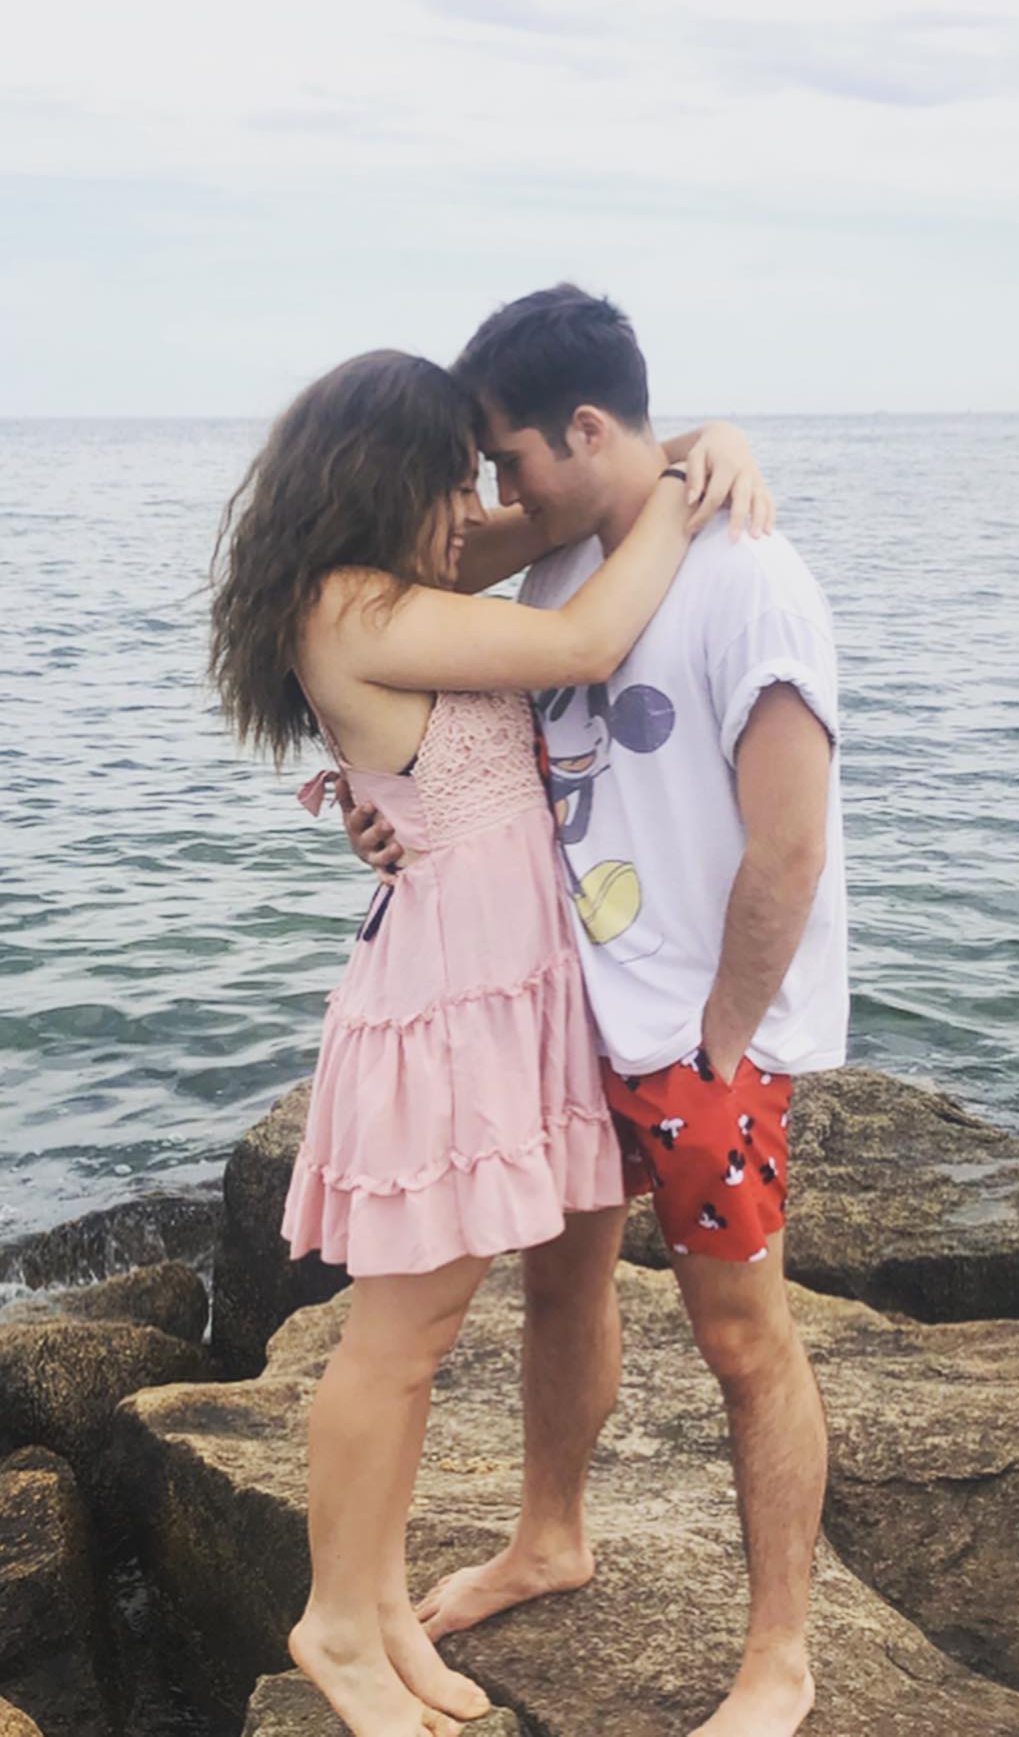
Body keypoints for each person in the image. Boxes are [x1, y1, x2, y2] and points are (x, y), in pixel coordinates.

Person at [207, 347, 772, 1737]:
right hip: (449, 1007)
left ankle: (382, 1601)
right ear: (383, 480)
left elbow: (575, 502)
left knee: (446, 1323)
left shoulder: (404, 584)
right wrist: (685, 496)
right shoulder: (352, 604)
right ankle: (338, 1622)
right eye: (452, 481)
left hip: (514, 994)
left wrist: (694, 441)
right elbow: (582, 644)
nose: (474, 506)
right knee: (398, 1337)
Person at [349, 287, 845, 1737]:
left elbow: (790, 846)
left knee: (745, 1340)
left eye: (508, 460)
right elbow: (467, 695)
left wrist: (724, 1038)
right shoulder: (564, 554)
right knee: (561, 1285)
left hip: (698, 1032)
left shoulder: (752, 580)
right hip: (573, 1000)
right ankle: (548, 1537)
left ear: (579, 429)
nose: (494, 495)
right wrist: (380, 811)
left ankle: (781, 1657)